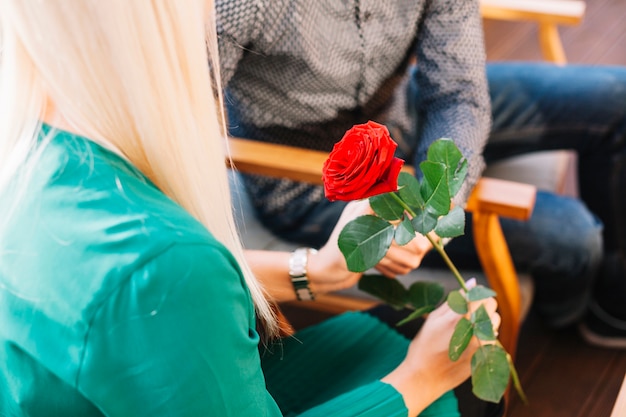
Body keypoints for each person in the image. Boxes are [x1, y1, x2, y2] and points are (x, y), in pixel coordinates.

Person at [0, 1, 501, 416]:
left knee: (415, 327)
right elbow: (174, 285)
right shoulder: (165, 265)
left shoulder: (40, 158)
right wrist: (418, 378)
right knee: (463, 374)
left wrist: (319, 270)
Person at [217, 0, 626, 347]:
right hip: (310, 181)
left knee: (617, 96)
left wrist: (437, 201)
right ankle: (563, 325)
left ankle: (610, 312)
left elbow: (456, 93)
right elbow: (172, 125)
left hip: (404, 106)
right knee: (574, 238)